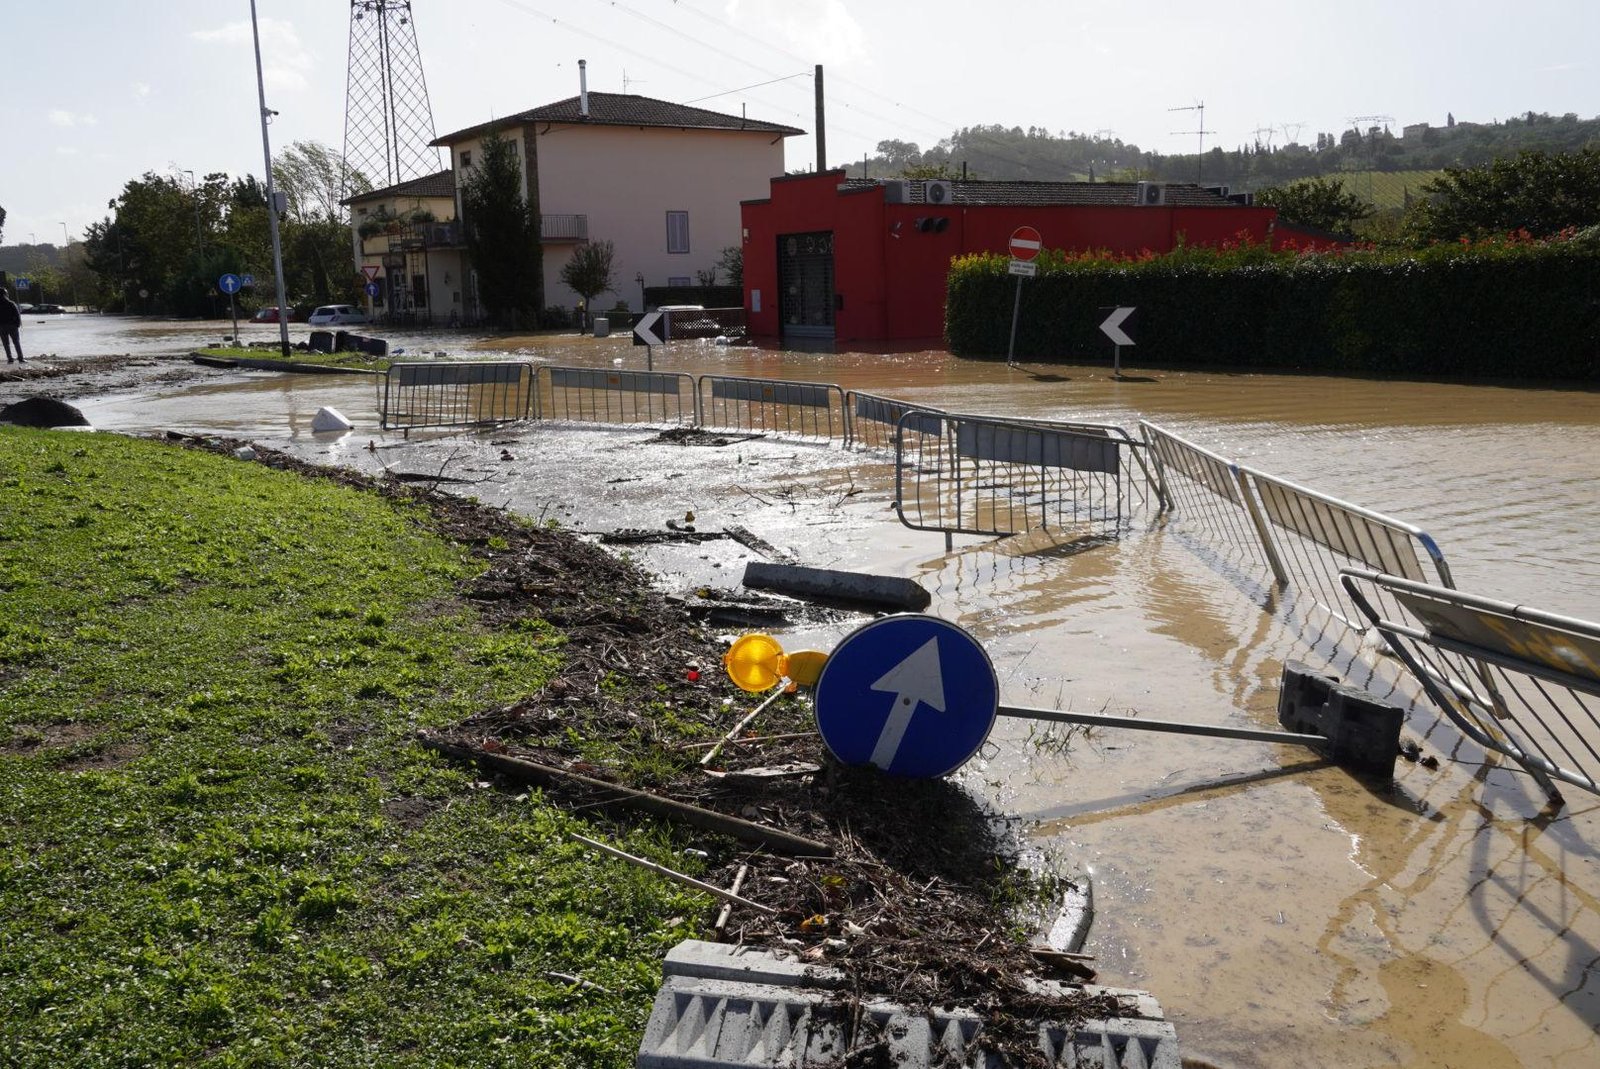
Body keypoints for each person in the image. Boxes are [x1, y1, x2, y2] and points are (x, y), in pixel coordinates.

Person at [0, 287, 22, 363]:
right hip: (12, 326)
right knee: (16, 342)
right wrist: (18, 324)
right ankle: (20, 358)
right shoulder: (11, 303)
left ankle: (10, 359)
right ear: (5, 294)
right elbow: (17, 314)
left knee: (6, 344)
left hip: (2, 326)